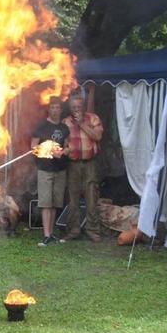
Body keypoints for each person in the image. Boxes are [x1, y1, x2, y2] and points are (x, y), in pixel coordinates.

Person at [61, 93, 104, 242]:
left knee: (91, 197)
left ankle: (93, 230)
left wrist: (82, 125)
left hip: (90, 163)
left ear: (83, 107)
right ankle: (73, 230)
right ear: (70, 108)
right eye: (73, 107)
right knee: (73, 199)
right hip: (73, 164)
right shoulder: (65, 122)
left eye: (79, 107)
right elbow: (63, 144)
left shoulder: (93, 118)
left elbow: (98, 137)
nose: (76, 110)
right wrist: (63, 149)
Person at [31, 96, 69, 247]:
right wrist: (50, 152)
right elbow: (33, 147)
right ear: (49, 109)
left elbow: (67, 145)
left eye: (57, 107)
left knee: (55, 202)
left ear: (60, 109)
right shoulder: (41, 127)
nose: (55, 110)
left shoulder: (64, 128)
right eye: (52, 107)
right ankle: (46, 235)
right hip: (45, 169)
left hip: (60, 169)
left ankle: (51, 233)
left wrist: (65, 151)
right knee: (46, 203)